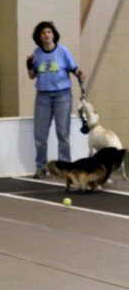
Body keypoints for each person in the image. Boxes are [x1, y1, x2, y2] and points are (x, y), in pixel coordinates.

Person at [27, 21, 85, 179]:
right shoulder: (37, 54)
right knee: (40, 135)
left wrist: (80, 74)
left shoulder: (63, 51)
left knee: (63, 133)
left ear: (53, 34)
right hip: (43, 96)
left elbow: (73, 68)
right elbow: (32, 76)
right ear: (39, 37)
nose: (46, 35)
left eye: (49, 32)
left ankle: (65, 167)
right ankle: (40, 167)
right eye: (43, 33)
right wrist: (29, 66)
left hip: (62, 95)